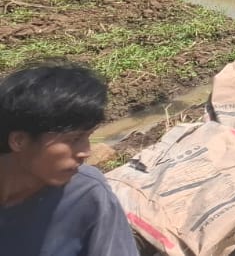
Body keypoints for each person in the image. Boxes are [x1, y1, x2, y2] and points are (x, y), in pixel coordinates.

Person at [0, 62, 140, 256]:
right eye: (73, 139)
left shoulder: (87, 194)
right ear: (19, 141)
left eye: (88, 137)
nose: (86, 152)